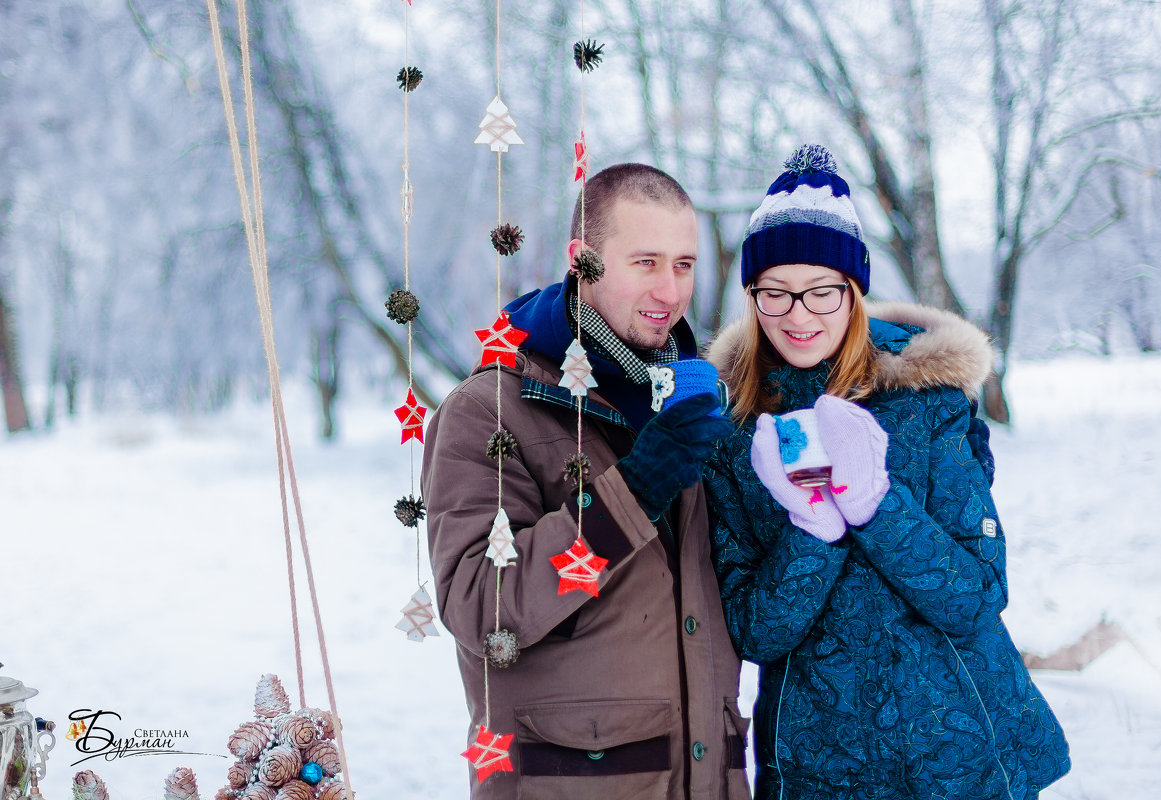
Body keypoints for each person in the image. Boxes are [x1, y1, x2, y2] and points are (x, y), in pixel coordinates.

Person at [703, 145, 1070, 800]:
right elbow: (754, 631)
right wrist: (811, 530)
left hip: (960, 752)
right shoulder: (736, 432)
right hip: (819, 764)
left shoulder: (927, 402)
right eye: (775, 293)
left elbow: (978, 596)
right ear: (752, 295)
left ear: (854, 291)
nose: (798, 314)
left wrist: (877, 503)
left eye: (821, 291)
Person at [422, 163, 751, 799]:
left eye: (684, 265)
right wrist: (632, 493)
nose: (670, 290)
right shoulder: (491, 410)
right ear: (584, 262)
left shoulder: (697, 405)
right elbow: (481, 606)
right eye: (646, 262)